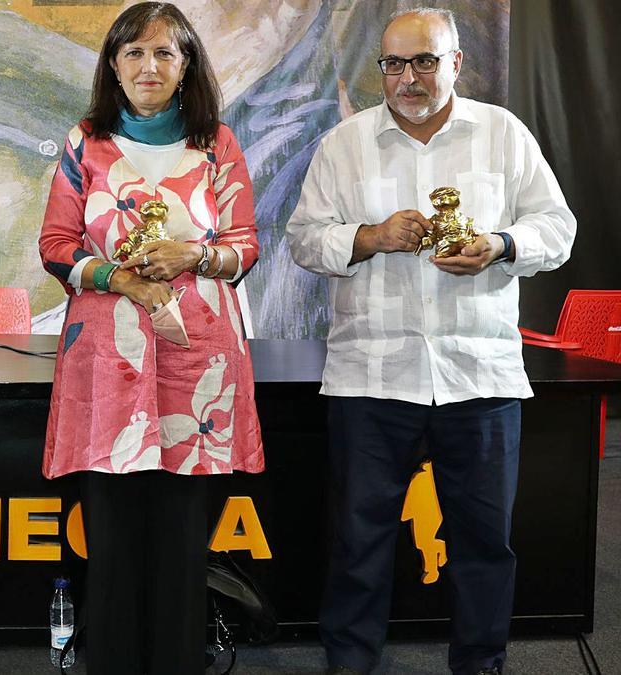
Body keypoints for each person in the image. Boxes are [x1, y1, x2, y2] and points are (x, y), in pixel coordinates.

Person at [285, 8, 576, 675]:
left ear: (456, 63)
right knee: (359, 541)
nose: (408, 77)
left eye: (425, 61)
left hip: (480, 373)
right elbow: (304, 239)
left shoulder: (503, 135)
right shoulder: (345, 144)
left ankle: (480, 663)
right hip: (372, 376)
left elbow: (557, 229)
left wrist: (501, 244)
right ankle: (350, 663)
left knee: (483, 543)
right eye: (394, 63)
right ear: (379, 67)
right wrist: (370, 236)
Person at [37, 3, 264, 673]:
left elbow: (245, 246)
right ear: (113, 63)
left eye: (165, 53)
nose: (149, 65)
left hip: (198, 373)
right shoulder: (86, 142)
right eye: (134, 52)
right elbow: (55, 246)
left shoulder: (218, 142)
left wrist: (191, 255)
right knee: (110, 540)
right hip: (106, 367)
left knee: (180, 541)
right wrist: (116, 277)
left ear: (186, 65)